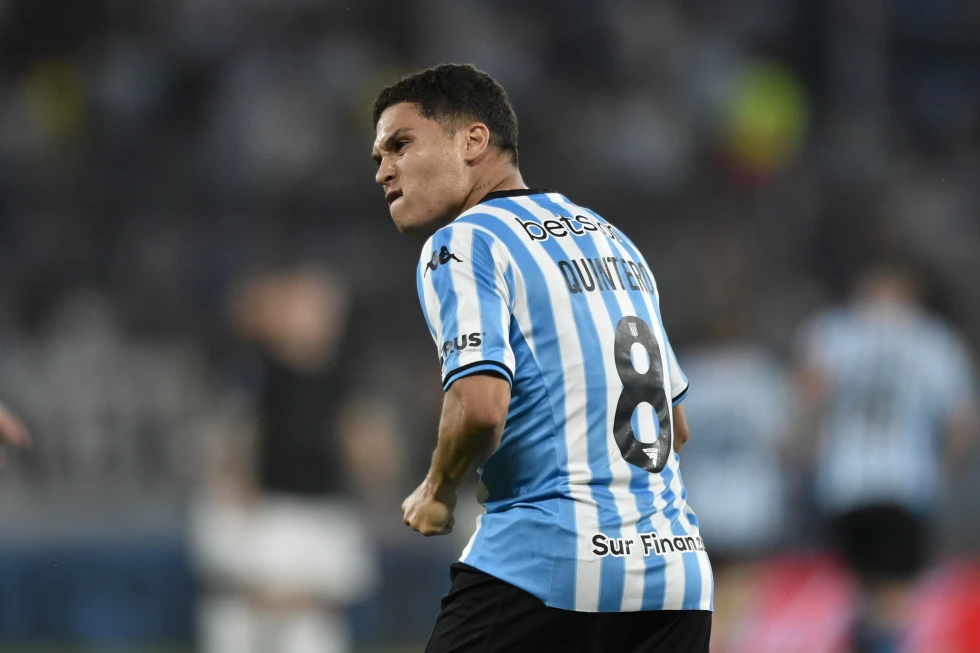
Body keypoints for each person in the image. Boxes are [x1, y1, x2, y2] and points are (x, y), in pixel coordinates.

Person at [371, 63, 712, 653]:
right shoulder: (614, 242)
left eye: (400, 144)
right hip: (676, 578)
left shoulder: (464, 241)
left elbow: (480, 408)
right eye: (377, 157)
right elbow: (675, 426)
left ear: (473, 141)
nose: (383, 171)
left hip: (547, 565)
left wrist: (438, 489)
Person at [793, 262, 979, 653]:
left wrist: (812, 453)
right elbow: (962, 420)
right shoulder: (933, 339)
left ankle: (865, 640)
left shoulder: (835, 331)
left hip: (845, 480)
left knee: (862, 586)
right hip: (906, 481)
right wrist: (942, 466)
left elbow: (808, 397)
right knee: (895, 593)